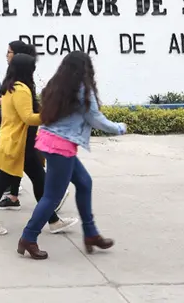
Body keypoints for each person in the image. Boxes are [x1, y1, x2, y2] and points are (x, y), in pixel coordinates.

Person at [17, 51, 127, 260]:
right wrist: (120, 128)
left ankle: (91, 234)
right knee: (52, 196)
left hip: (48, 141)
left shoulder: (56, 85)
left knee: (84, 182)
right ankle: (28, 237)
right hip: (61, 147)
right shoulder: (82, 89)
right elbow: (96, 118)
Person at [0, 53, 66, 236]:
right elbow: (28, 117)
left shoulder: (10, 87)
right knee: (1, 183)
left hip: (18, 143)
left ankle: (54, 221)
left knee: (40, 180)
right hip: (18, 144)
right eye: (32, 67)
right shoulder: (21, 89)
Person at [0, 41, 72, 220]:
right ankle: (50, 217)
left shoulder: (21, 84)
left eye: (9, 52)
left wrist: (49, 115)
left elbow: (29, 113)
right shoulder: (16, 81)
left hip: (24, 136)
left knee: (11, 179)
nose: (7, 55)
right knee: (33, 176)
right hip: (20, 137)